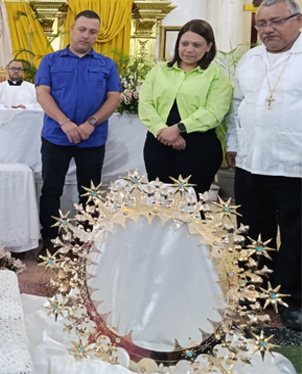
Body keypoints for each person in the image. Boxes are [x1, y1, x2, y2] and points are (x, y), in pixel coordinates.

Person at [225, 0, 302, 331]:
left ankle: (293, 298)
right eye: (261, 24)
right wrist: (232, 144)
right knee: (254, 229)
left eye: (276, 21)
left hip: (295, 164)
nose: (268, 29)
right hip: (251, 161)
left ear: (298, 21)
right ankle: (256, 287)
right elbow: (237, 104)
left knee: (297, 235)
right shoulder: (250, 59)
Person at [35, 10, 121, 252]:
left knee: (90, 191)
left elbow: (114, 98)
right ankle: (50, 241)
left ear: (97, 35)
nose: (86, 35)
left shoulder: (107, 64)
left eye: (92, 32)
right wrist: (65, 123)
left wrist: (89, 124)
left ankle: (86, 242)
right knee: (52, 188)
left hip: (92, 139)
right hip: (56, 135)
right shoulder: (50, 61)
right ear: (71, 29)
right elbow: (42, 94)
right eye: (82, 29)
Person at [138, 20, 232, 195]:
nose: (189, 50)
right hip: (159, 143)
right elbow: (145, 103)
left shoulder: (216, 76)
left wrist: (179, 129)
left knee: (192, 204)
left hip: (199, 146)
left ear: (209, 46)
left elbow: (214, 111)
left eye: (197, 45)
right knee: (161, 202)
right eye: (184, 43)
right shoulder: (159, 71)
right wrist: (163, 131)